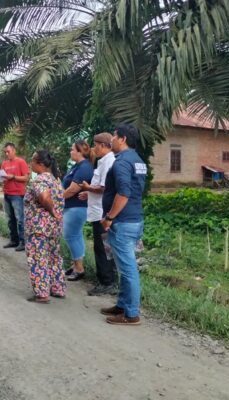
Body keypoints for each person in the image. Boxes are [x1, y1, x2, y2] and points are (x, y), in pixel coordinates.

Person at [100, 123, 147, 325]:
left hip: (123, 222)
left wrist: (110, 217)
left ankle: (131, 313)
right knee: (124, 267)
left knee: (128, 269)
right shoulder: (138, 160)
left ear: (123, 139)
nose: (112, 140)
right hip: (135, 219)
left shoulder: (121, 162)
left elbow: (124, 193)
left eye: (115, 137)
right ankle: (122, 305)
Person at [78, 133, 118, 295]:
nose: (94, 149)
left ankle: (106, 282)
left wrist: (88, 188)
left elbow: (104, 188)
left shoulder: (108, 162)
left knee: (102, 248)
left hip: (102, 213)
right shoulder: (105, 161)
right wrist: (89, 193)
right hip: (98, 210)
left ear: (102, 145)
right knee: (104, 247)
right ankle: (107, 279)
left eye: (95, 145)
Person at [24, 150, 65, 303]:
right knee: (53, 257)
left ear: (40, 164)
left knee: (38, 258)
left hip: (39, 227)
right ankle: (57, 288)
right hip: (53, 228)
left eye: (32, 161)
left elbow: (44, 197)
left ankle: (42, 293)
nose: (31, 163)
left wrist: (51, 210)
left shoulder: (39, 180)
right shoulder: (55, 180)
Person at [62, 140, 94, 281]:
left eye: (72, 149)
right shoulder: (78, 166)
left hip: (76, 207)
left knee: (71, 236)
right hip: (72, 207)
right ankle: (76, 265)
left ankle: (79, 269)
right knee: (76, 236)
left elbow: (72, 190)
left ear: (79, 151)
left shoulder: (84, 167)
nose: (70, 151)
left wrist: (57, 198)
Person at [0, 143, 30, 252]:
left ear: (14, 150)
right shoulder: (4, 163)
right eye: (5, 152)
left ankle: (23, 242)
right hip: (7, 193)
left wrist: (13, 177)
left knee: (20, 219)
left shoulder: (21, 162)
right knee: (10, 219)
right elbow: (3, 178)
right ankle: (14, 240)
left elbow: (26, 178)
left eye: (8, 151)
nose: (7, 154)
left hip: (17, 194)